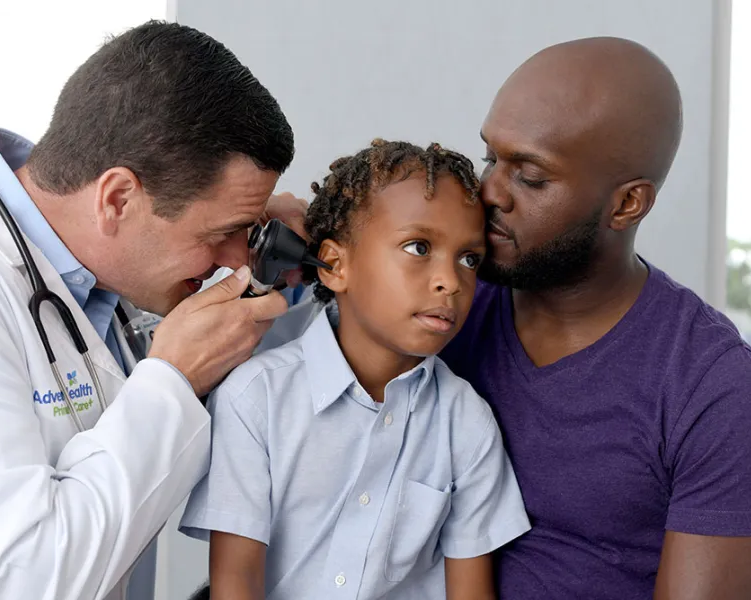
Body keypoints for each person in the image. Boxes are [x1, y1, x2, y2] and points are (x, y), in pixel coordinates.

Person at [263, 37, 751, 599]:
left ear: (627, 204)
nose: (488, 194)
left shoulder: (719, 394)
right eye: (490, 157)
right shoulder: (437, 302)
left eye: (530, 177)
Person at [0, 20, 301, 600]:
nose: (237, 261)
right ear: (118, 197)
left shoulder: (103, 273)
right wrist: (173, 381)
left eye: (248, 230)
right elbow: (20, 581)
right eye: (227, 231)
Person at [179, 139, 531, 599]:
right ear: (335, 266)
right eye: (419, 247)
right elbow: (236, 584)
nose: (450, 280)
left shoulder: (467, 423)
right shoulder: (256, 399)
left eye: (469, 259)